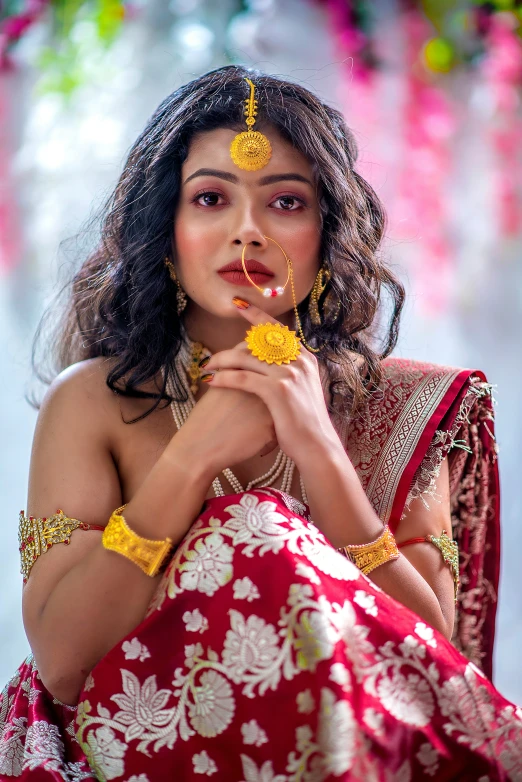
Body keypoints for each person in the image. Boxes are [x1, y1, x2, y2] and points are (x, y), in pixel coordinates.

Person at [0, 65, 520, 781]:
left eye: (286, 202)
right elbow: (62, 664)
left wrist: (320, 452)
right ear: (165, 235)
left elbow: (432, 668)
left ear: (326, 238)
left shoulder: (399, 409)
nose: (247, 231)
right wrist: (193, 457)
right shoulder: (92, 401)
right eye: (211, 198)